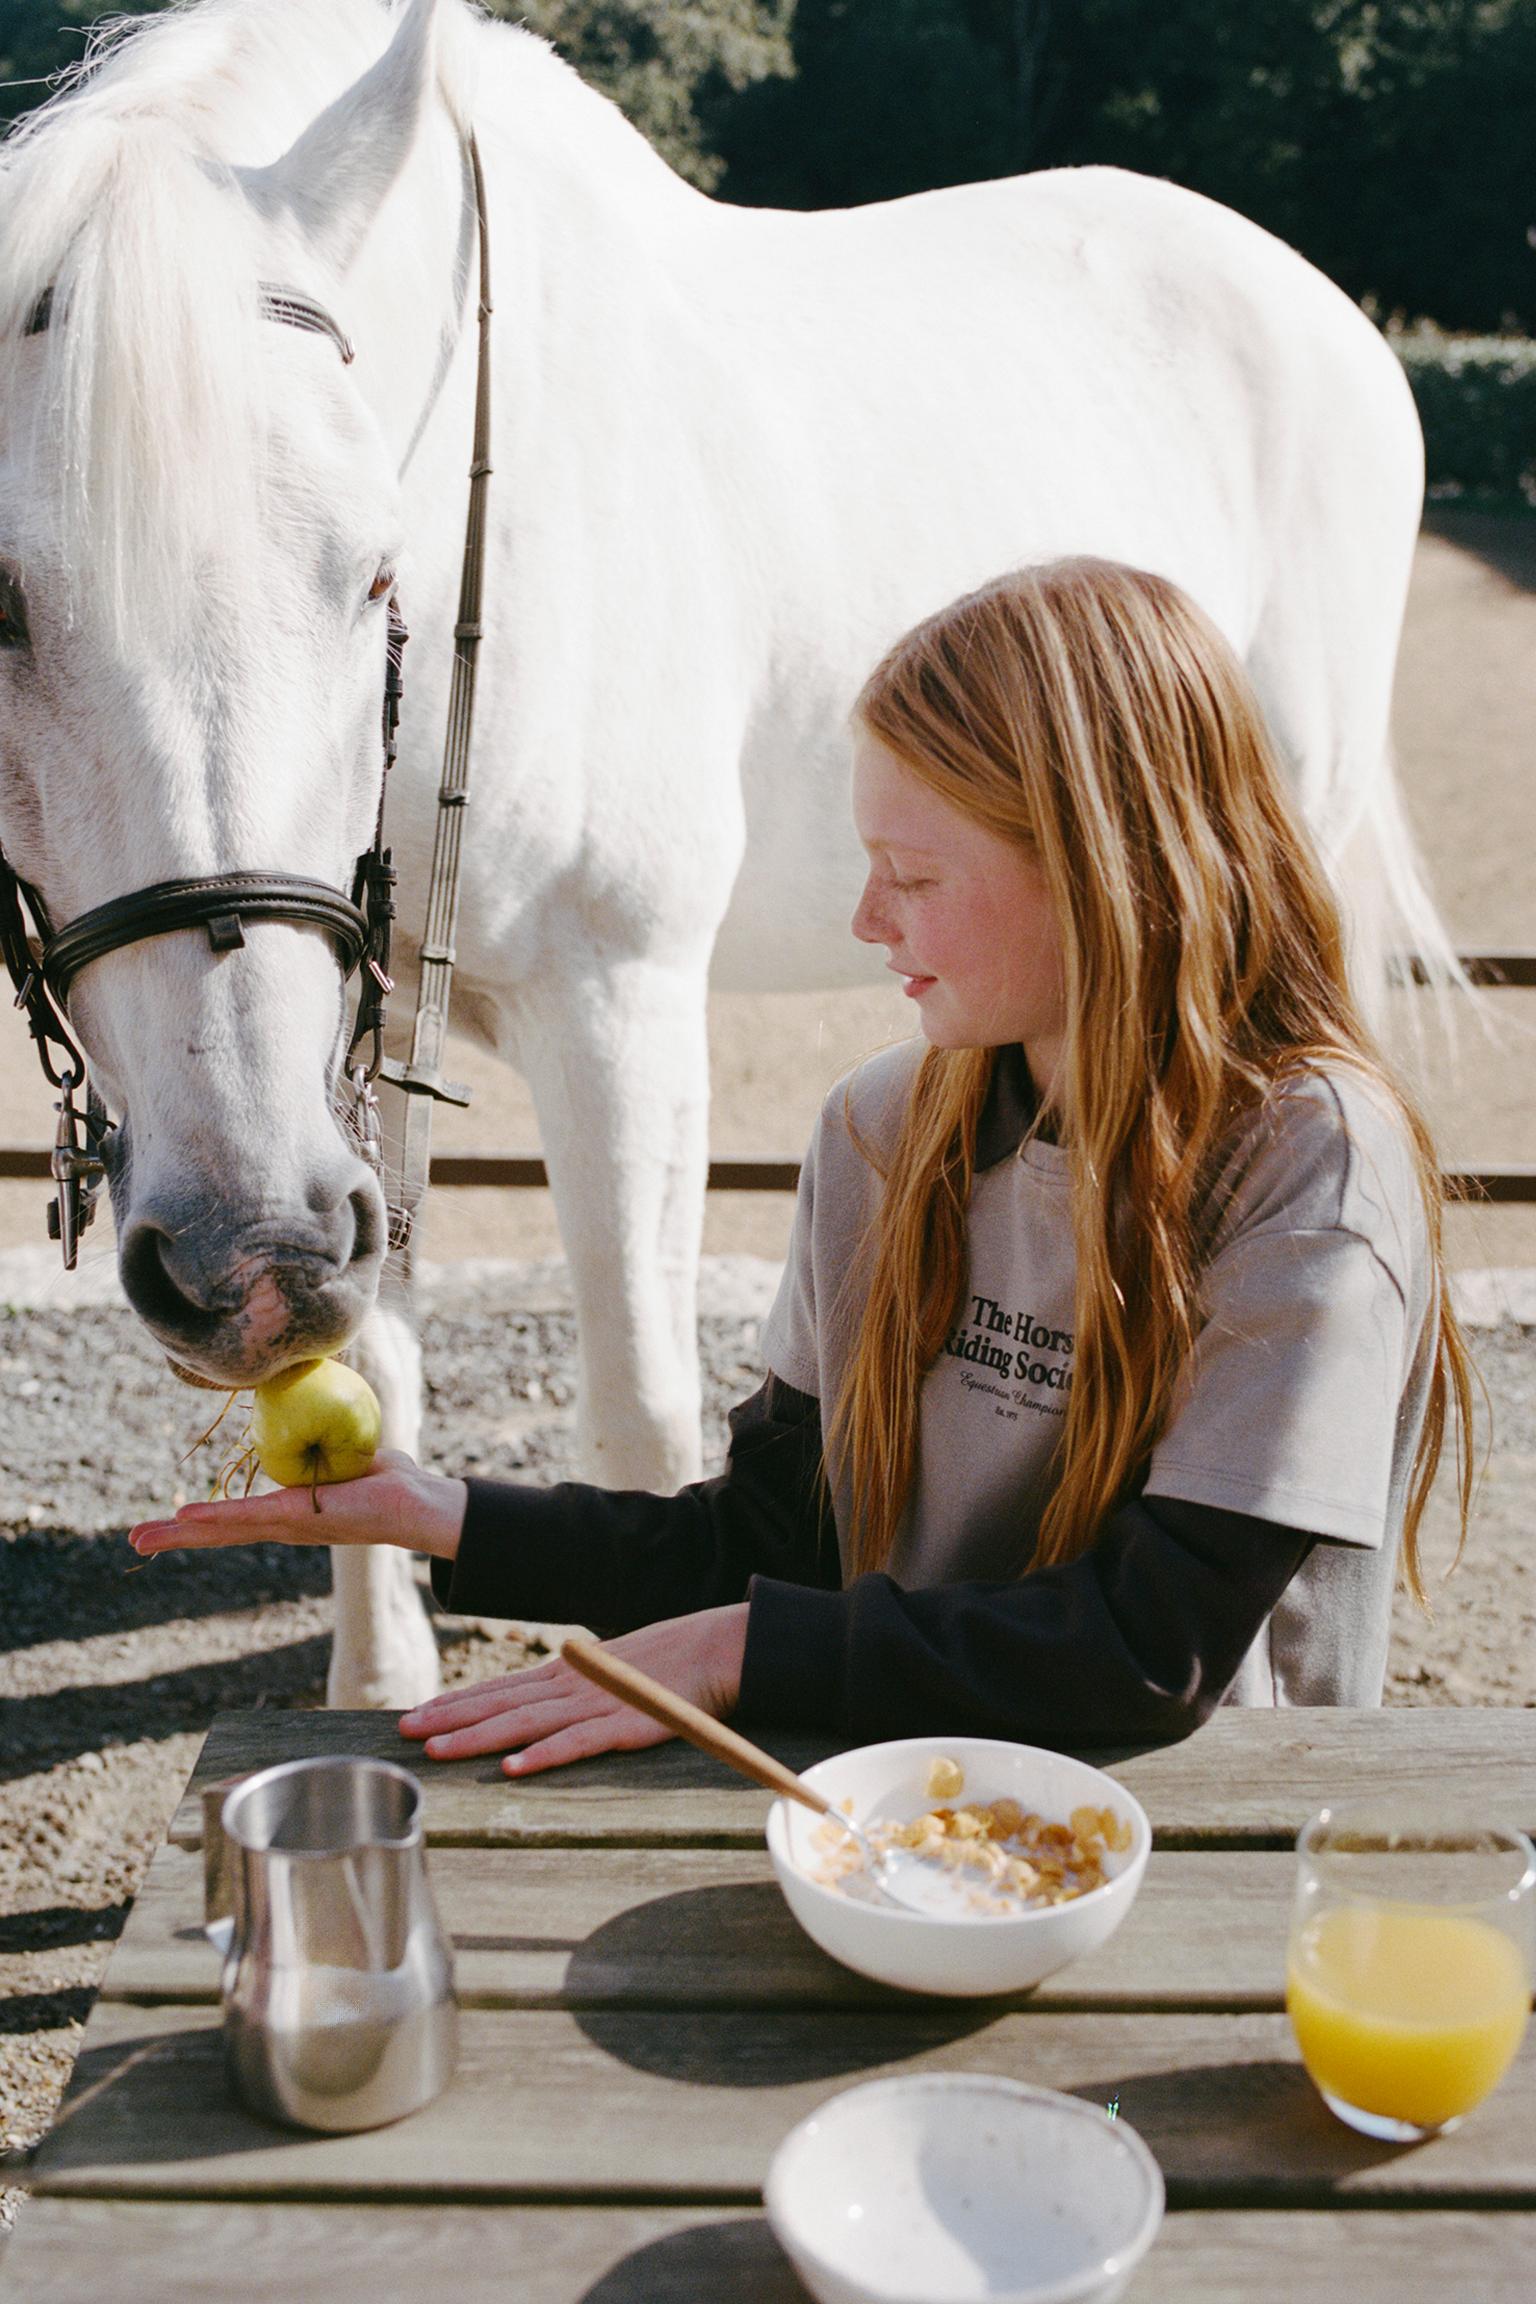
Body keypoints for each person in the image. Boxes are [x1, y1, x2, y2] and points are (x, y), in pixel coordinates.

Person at [130, 558, 1475, 1775]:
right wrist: (443, 1516)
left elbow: (1155, 1643)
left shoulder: (1313, 1164)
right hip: (904, 1818)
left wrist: (733, 1655)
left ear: (1099, 864)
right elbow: (774, 1538)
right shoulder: (881, 1132)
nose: (866, 919)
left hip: (1205, 1844)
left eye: (914, 873)